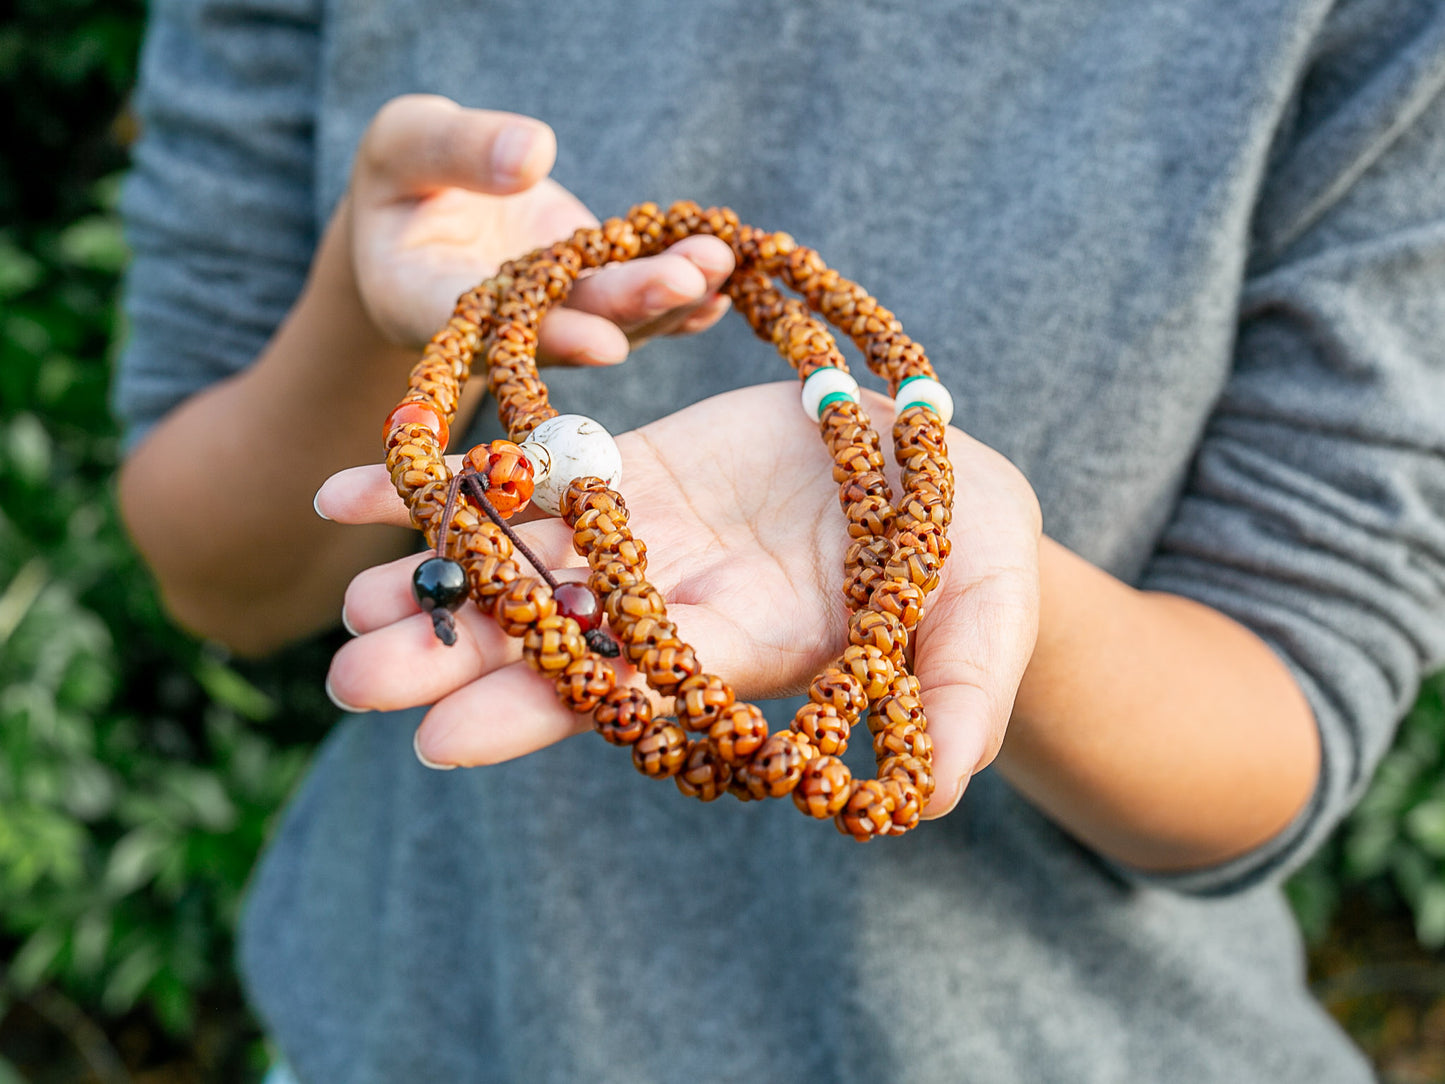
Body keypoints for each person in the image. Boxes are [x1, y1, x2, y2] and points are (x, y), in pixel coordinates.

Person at [114, 1, 1445, 1080]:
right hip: (402, 1024)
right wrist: (365, 300)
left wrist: (956, 575)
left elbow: (1288, 713)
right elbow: (214, 578)